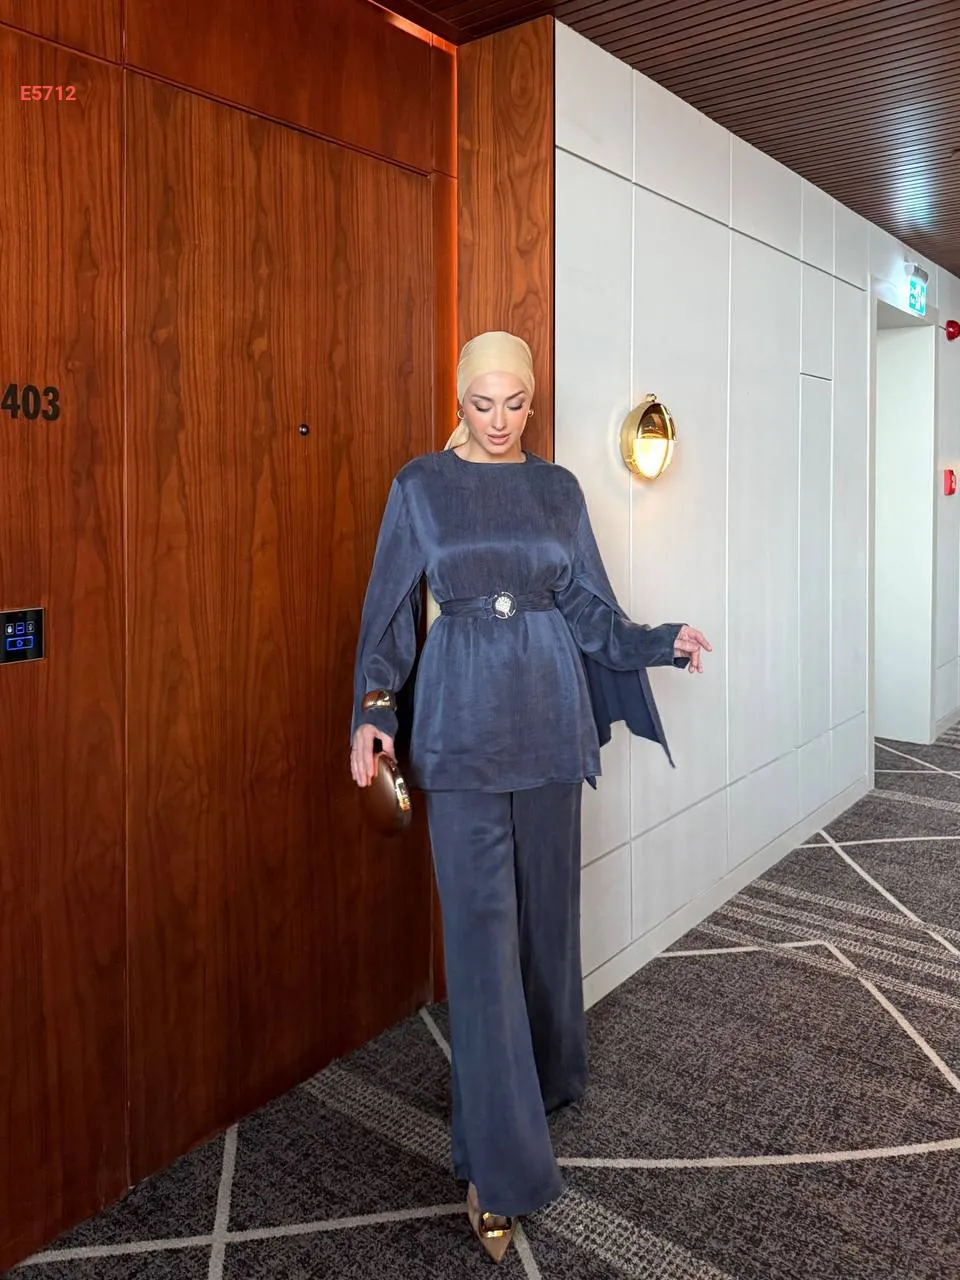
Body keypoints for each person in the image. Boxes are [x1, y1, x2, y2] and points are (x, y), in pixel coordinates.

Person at [349, 331, 710, 1262]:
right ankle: (499, 1169)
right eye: (483, 404)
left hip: (549, 727)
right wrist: (373, 711)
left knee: (547, 922)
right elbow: (390, 613)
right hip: (460, 733)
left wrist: (658, 642)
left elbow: (589, 609)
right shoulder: (420, 486)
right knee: (480, 946)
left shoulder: (558, 489)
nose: (500, 421)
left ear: (532, 404)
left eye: (515, 405)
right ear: (459, 400)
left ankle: (544, 1079)